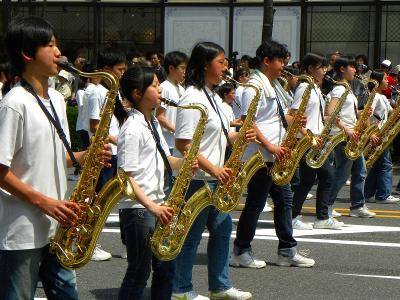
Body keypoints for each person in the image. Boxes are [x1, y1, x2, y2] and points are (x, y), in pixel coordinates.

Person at [0, 16, 111, 300]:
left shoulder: (58, 100)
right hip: (21, 230)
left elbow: (51, 156)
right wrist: (45, 202)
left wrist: (86, 156)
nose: (58, 52)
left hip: (58, 227)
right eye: (50, 45)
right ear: (27, 53)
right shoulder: (14, 103)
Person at [172, 41, 253, 300]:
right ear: (206, 64)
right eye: (221, 62)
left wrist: (239, 136)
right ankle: (180, 290)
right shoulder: (192, 98)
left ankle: (220, 286)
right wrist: (215, 169)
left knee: (221, 230)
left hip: (215, 177)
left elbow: (220, 134)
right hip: (197, 179)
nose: (226, 67)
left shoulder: (213, 97)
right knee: (191, 236)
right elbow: (184, 144)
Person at [230, 41, 315, 270]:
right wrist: (270, 146)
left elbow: (270, 118)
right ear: (267, 61)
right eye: (280, 61)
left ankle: (287, 250)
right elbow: (249, 123)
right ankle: (241, 251)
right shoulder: (252, 88)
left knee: (284, 200)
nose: (283, 67)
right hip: (259, 156)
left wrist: (290, 121)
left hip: (272, 155)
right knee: (255, 204)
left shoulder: (270, 84)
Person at [116, 65, 190, 300]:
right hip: (140, 210)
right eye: (155, 86)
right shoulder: (132, 129)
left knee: (166, 268)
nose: (160, 90)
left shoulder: (152, 123)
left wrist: (183, 162)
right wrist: (152, 207)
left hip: (159, 205)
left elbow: (161, 159)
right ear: (138, 93)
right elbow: (125, 177)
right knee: (139, 272)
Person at [290, 53, 343, 230]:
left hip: (316, 140)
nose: (325, 70)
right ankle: (301, 216)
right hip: (308, 141)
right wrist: (309, 137)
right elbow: (294, 115)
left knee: (314, 179)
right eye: (321, 67)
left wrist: (329, 119)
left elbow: (314, 116)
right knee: (323, 177)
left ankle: (315, 216)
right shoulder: (304, 88)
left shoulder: (314, 88)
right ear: (311, 69)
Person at [87, 46, 127, 261]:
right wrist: (117, 140)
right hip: (103, 153)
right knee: (97, 200)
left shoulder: (112, 91)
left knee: (108, 200)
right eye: (119, 69)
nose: (122, 73)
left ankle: (94, 241)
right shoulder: (96, 92)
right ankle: (89, 242)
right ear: (105, 69)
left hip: (114, 152)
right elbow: (95, 126)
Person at [327, 57, 376, 218]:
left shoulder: (347, 89)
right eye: (352, 67)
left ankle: (357, 206)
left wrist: (363, 113)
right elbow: (330, 113)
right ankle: (326, 205)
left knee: (360, 171)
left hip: (352, 136)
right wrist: (346, 130)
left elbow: (349, 114)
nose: (355, 70)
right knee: (342, 173)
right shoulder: (339, 90)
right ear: (342, 69)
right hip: (343, 137)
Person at [364, 70, 400, 204]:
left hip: (382, 133)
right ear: (377, 82)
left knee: (379, 165)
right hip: (377, 134)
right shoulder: (374, 97)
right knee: (386, 164)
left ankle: (367, 193)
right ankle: (383, 195)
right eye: (385, 79)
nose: (388, 81)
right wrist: (370, 133)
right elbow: (366, 115)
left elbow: (392, 112)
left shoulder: (383, 97)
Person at [156, 51, 188, 153]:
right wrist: (178, 131)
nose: (185, 72)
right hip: (168, 142)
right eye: (182, 68)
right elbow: (160, 117)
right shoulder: (165, 88)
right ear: (171, 68)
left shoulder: (181, 88)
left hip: (178, 141)